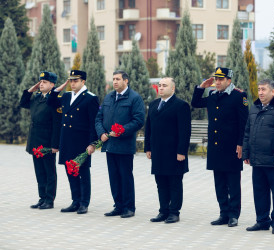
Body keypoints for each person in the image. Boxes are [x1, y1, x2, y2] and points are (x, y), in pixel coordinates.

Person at [191, 67, 249, 227]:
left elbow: (244, 123)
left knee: (233, 182)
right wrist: (201, 87)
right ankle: (223, 213)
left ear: (228, 81)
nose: (217, 82)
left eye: (220, 79)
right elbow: (195, 103)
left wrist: (241, 143)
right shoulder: (212, 95)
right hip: (216, 147)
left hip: (232, 147)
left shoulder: (239, 96)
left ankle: (233, 215)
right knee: (220, 183)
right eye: (216, 79)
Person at [242, 79, 274, 234]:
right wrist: (246, 153)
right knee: (259, 191)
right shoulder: (255, 107)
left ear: (273, 91)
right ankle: (262, 220)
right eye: (259, 89)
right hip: (257, 159)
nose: (260, 92)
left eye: (264, 89)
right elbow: (247, 132)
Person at [47, 70, 99, 214]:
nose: (73, 83)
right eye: (71, 80)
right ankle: (75, 200)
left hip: (81, 142)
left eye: (76, 80)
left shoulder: (90, 98)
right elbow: (50, 101)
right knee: (70, 171)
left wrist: (93, 143)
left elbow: (93, 123)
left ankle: (84, 203)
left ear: (83, 81)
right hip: (67, 140)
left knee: (82, 172)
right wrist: (60, 87)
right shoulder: (66, 95)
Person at [95, 70, 145, 218]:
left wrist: (122, 130)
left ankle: (129, 207)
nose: (115, 82)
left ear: (126, 81)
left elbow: (138, 120)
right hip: (109, 145)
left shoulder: (134, 98)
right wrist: (101, 133)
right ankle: (118, 205)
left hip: (124, 145)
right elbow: (99, 118)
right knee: (114, 177)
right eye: (113, 79)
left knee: (125, 176)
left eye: (118, 79)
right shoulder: (109, 97)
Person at [144, 77, 191, 223]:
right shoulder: (153, 104)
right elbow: (148, 128)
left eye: (164, 85)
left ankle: (174, 212)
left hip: (174, 152)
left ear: (173, 88)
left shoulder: (181, 105)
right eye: (159, 85)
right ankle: (163, 211)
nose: (161, 88)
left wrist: (182, 151)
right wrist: (148, 148)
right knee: (161, 182)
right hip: (158, 152)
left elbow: (185, 131)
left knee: (174, 183)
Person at [20, 71, 62, 210]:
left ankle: (49, 200)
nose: (41, 84)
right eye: (40, 82)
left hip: (47, 141)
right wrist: (32, 89)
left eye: (44, 82)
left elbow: (57, 124)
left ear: (52, 84)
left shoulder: (54, 100)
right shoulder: (37, 97)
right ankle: (42, 197)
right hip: (35, 139)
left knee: (49, 171)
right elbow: (24, 102)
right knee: (39, 171)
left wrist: (55, 145)